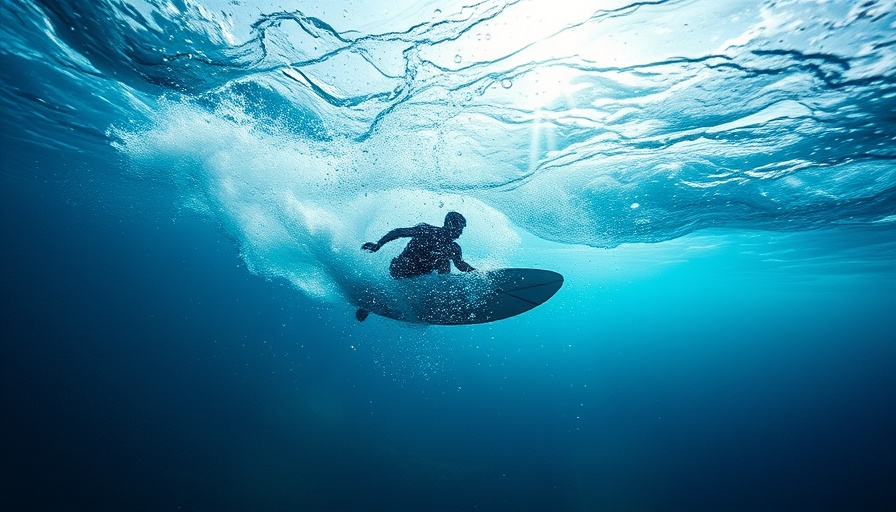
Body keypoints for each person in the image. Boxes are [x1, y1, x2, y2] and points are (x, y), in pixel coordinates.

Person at [361, 211, 476, 279]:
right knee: (441, 260)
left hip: (420, 276)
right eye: (459, 229)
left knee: (444, 262)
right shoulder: (427, 231)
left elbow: (460, 264)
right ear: (450, 225)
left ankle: (444, 295)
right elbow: (399, 232)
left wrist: (476, 274)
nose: (460, 233)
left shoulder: (454, 248)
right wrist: (378, 245)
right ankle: (370, 303)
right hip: (401, 269)